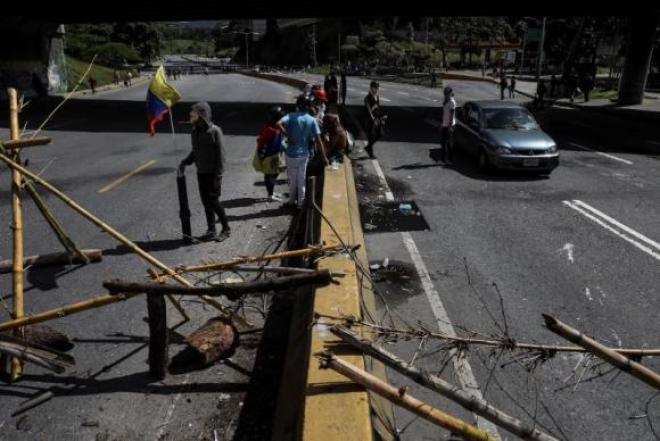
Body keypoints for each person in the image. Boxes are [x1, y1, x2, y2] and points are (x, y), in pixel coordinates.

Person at [178, 102, 231, 242]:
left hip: (212, 174)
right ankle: (211, 229)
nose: (191, 116)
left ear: (202, 115)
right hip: (201, 172)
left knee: (214, 202)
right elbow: (195, 151)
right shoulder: (194, 131)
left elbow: (221, 156)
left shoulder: (215, 131)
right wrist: (185, 162)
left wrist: (218, 176)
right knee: (206, 202)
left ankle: (226, 229)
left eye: (194, 113)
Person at [277, 95, 328, 210]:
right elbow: (319, 141)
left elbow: (278, 123)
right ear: (308, 106)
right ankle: (300, 204)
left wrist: (288, 136)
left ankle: (291, 202)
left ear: (298, 105)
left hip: (290, 154)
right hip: (304, 154)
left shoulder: (290, 116)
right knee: (302, 179)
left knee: (292, 179)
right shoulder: (312, 120)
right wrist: (324, 157)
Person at [255, 106, 285, 202]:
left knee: (275, 173)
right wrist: (261, 155)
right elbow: (260, 141)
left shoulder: (276, 127)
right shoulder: (270, 129)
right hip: (269, 155)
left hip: (275, 154)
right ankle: (270, 194)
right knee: (270, 174)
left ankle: (271, 192)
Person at [364, 80, 381, 159]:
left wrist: (381, 117)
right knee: (371, 136)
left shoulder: (377, 96)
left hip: (376, 119)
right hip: (369, 120)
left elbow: (377, 108)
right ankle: (371, 153)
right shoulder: (367, 98)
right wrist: (372, 118)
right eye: (375, 87)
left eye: (377, 87)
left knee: (380, 133)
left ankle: (368, 147)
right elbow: (368, 110)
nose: (376, 89)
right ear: (371, 88)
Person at [440, 86, 456, 164]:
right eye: (445, 93)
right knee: (445, 142)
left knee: (445, 142)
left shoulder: (452, 102)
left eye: (447, 93)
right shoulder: (446, 101)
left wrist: (449, 127)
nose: (445, 95)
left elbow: (451, 115)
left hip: (449, 125)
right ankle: (448, 159)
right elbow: (444, 114)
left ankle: (446, 159)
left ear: (450, 93)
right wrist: (442, 124)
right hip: (445, 124)